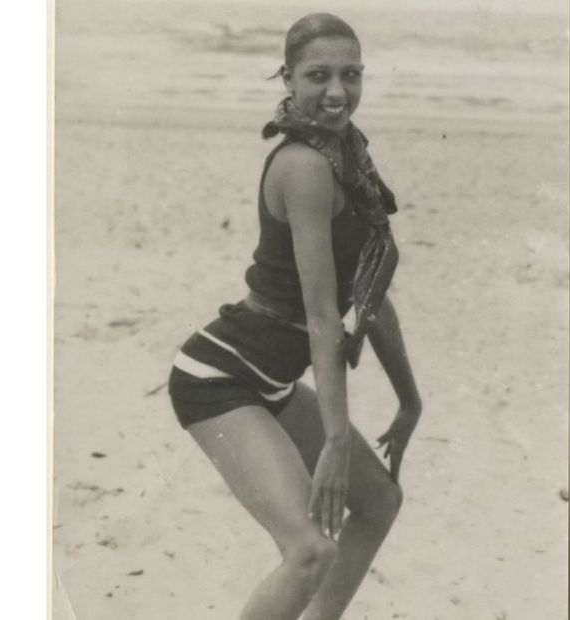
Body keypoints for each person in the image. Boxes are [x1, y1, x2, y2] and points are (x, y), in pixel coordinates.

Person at [167, 13, 422, 620]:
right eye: (318, 75)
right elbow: (321, 315)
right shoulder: (305, 165)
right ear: (288, 78)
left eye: (351, 74)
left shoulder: (349, 156)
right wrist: (334, 438)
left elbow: (369, 295)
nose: (337, 90)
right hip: (218, 379)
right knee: (308, 553)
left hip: (269, 380)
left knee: (379, 502)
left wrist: (410, 401)